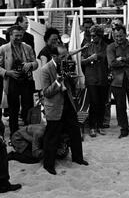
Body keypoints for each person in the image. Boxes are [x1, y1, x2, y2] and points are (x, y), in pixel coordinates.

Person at [41, 45, 88, 175]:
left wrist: (71, 78)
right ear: (54, 56)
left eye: (66, 56)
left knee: (75, 132)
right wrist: (58, 81)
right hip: (55, 107)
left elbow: (71, 86)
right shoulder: (45, 69)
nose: (65, 59)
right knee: (52, 136)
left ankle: (78, 158)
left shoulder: (67, 64)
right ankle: (48, 164)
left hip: (68, 103)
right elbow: (46, 92)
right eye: (62, 57)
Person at [0, 25, 38, 137]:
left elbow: (36, 63)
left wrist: (30, 64)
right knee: (13, 110)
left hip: (26, 81)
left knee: (27, 109)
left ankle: (28, 134)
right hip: (11, 81)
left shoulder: (28, 47)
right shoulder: (3, 49)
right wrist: (8, 73)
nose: (19, 38)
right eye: (16, 35)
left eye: (21, 35)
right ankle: (14, 134)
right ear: (10, 35)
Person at [81, 25, 109, 138]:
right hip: (91, 78)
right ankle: (92, 126)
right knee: (93, 102)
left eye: (95, 36)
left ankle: (100, 125)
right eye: (91, 35)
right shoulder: (87, 46)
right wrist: (89, 59)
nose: (92, 38)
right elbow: (80, 62)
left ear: (100, 36)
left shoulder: (106, 47)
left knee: (102, 103)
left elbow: (108, 60)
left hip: (103, 78)